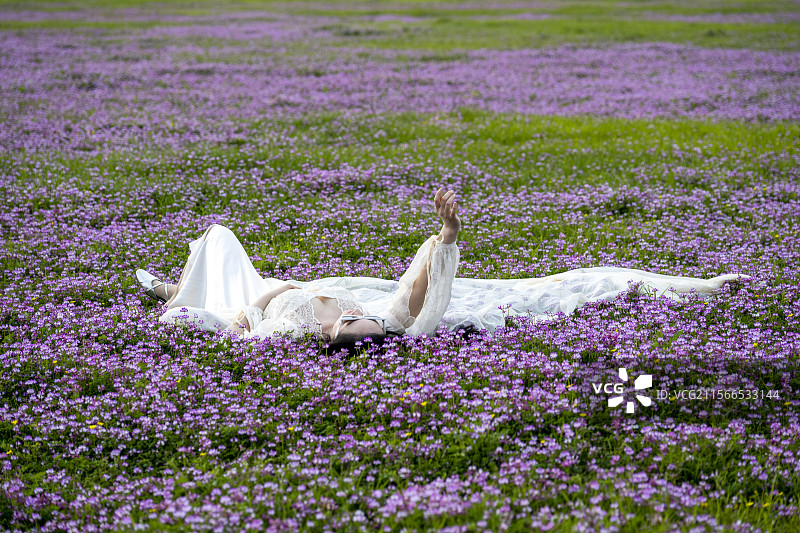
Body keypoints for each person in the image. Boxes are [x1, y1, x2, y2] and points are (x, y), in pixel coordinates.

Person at [137, 188, 749, 351]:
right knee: (217, 246)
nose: (351, 320)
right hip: (265, 294)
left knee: (216, 247)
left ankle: (178, 291)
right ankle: (180, 290)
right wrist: (442, 241)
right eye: (353, 325)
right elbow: (397, 302)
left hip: (255, 300)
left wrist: (443, 239)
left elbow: (394, 314)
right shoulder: (358, 313)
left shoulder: (324, 327)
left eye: (350, 325)